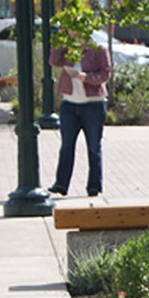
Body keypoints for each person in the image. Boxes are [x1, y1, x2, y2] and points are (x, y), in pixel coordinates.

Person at [47, 35, 111, 197]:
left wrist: (87, 78)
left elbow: (105, 73)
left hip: (93, 105)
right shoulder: (69, 49)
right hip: (70, 104)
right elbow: (54, 61)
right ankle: (61, 184)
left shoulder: (99, 49)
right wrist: (59, 42)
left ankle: (94, 186)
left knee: (93, 147)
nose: (75, 35)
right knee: (67, 145)